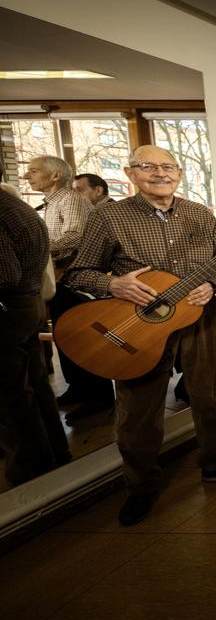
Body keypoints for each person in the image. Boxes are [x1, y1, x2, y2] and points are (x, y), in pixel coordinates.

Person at [63, 145, 216, 526]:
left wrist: (214, 283)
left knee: (208, 397)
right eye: (148, 166)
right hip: (137, 325)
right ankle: (141, 487)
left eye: (167, 166)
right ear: (130, 173)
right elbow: (78, 273)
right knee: (139, 410)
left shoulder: (201, 214)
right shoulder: (108, 217)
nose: (159, 173)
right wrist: (114, 284)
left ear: (180, 174)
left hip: (201, 318)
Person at [25, 155, 114, 423]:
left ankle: (98, 396)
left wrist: (36, 249)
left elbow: (76, 236)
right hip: (61, 281)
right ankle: (79, 389)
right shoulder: (53, 203)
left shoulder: (71, 200)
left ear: (55, 176)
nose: (27, 176)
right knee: (66, 337)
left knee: (83, 339)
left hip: (76, 281)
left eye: (33, 171)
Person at [0, 186, 69, 485]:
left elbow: (4, 275)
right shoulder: (14, 206)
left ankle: (29, 477)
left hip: (8, 308)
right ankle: (54, 458)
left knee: (11, 397)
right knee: (35, 386)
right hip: (26, 303)